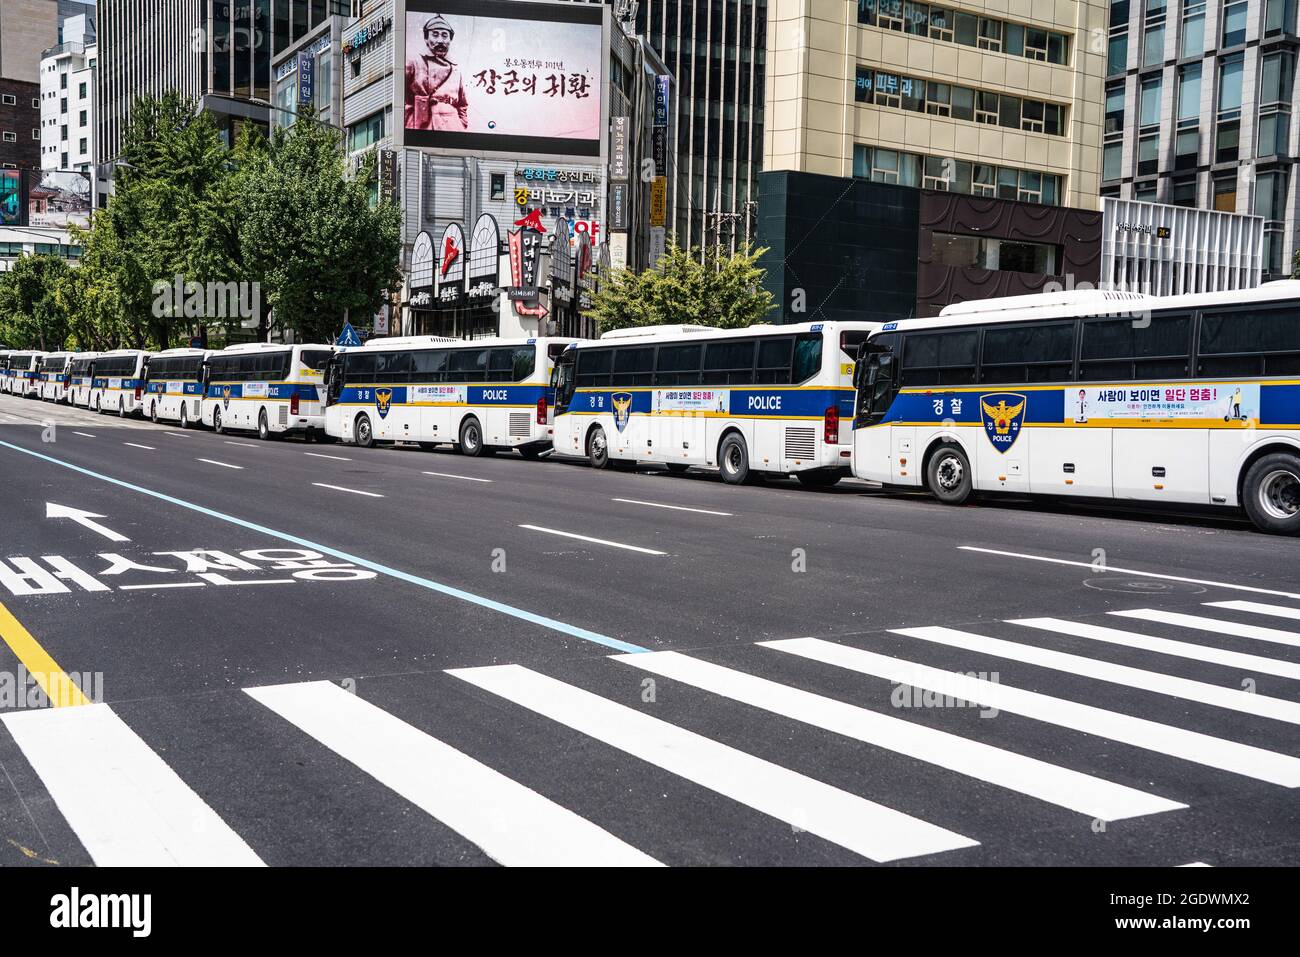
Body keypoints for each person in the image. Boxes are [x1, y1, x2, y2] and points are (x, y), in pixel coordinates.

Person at [405, 14, 469, 131]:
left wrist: (461, 124)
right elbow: (401, 97)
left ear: (450, 40)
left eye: (445, 36)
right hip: (424, 124)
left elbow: (462, 104)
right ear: (426, 38)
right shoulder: (414, 62)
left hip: (452, 125)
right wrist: (410, 123)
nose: (440, 40)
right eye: (435, 35)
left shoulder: (455, 70)